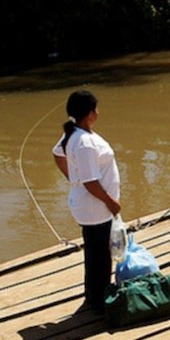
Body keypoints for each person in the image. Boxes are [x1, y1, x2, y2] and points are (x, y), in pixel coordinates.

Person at [53, 90, 122, 312]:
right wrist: (111, 202)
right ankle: (99, 303)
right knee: (100, 257)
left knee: (96, 253)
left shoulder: (74, 134)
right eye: (96, 108)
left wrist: (73, 177)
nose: (98, 112)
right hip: (95, 207)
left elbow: (57, 154)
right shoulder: (83, 142)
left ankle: (93, 296)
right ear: (90, 113)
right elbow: (91, 181)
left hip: (89, 205)